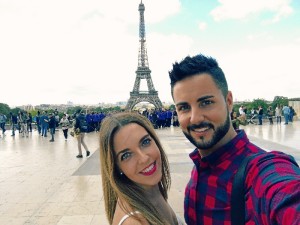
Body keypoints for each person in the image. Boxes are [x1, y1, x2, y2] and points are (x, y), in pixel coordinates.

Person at [168, 53, 300, 224]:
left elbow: (285, 194)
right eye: (184, 107)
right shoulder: (199, 168)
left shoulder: (261, 171)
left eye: (206, 103)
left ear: (229, 101)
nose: (195, 118)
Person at [99, 112, 185, 225]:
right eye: (126, 155)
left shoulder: (148, 191)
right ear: (116, 167)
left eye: (145, 142)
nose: (143, 158)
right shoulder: (134, 222)